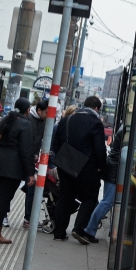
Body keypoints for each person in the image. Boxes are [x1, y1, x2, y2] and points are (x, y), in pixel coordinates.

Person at [52, 96, 107, 243]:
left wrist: (60, 160)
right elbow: (100, 149)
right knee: (90, 197)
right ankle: (79, 229)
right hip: (87, 167)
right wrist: (101, 166)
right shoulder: (95, 123)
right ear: (96, 108)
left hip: (65, 164)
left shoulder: (66, 120)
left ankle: (59, 232)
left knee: (64, 196)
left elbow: (55, 142)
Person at [0, 98, 35, 244]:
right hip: (12, 167)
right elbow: (26, 151)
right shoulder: (25, 124)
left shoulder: (6, 119)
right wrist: (30, 172)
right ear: (27, 110)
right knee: (4, 199)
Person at [83, 124, 123, 243]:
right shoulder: (127, 129)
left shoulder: (124, 127)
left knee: (110, 202)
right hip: (115, 171)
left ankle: (109, 229)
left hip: (112, 168)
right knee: (107, 202)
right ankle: (89, 230)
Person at [22, 99, 49, 228]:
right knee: (10, 187)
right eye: (47, 112)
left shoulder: (43, 121)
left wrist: (36, 154)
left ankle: (28, 219)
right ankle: (4, 215)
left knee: (31, 188)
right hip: (21, 159)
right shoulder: (28, 120)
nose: (49, 116)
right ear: (39, 111)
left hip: (31, 159)